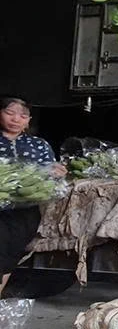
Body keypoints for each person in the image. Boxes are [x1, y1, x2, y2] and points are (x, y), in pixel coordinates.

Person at [0, 97, 66, 297]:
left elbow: (50, 171)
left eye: (22, 115)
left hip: (25, 212)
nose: (15, 119)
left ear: (28, 121)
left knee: (10, 254)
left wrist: (56, 172)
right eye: (9, 113)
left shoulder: (38, 144)